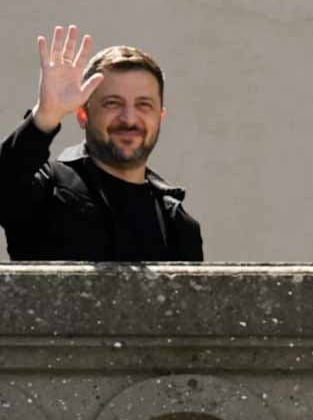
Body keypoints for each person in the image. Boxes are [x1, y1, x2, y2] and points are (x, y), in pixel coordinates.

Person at [0, 25, 203, 261]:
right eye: (112, 103)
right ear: (82, 114)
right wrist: (46, 116)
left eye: (143, 105)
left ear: (160, 117)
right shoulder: (46, 189)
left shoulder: (178, 225)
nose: (129, 119)